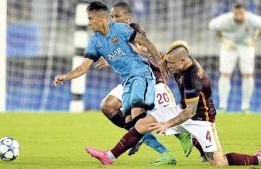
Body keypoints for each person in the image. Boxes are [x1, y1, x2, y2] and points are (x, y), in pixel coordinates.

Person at [85, 40, 261, 167]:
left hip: (201, 119)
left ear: (183, 61)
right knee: (142, 124)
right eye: (168, 62)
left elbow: (190, 112)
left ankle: (260, 159)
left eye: (171, 64)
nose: (167, 67)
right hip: (181, 109)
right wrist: (133, 50)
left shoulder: (193, 78)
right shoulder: (178, 60)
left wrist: (165, 124)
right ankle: (109, 157)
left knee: (219, 162)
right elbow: (158, 58)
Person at [52, 1, 172, 165]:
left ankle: (115, 155)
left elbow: (146, 43)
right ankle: (161, 133)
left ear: (102, 18)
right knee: (124, 117)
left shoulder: (122, 29)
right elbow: (83, 67)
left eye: (90, 19)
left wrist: (160, 62)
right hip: (127, 81)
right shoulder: (94, 41)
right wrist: (65, 76)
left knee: (138, 116)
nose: (89, 23)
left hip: (141, 75)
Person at [95, 2, 194, 164]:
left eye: (118, 16)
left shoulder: (134, 31)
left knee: (173, 119)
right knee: (108, 106)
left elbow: (145, 52)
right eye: (112, 16)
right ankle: (143, 140)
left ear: (128, 17)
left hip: (152, 80)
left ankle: (206, 151)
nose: (114, 19)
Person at [209, 2, 261, 113]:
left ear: (245, 12)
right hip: (229, 46)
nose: (238, 16)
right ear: (233, 12)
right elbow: (213, 26)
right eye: (236, 13)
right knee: (225, 73)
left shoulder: (251, 18)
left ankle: (245, 107)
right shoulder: (226, 19)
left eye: (241, 13)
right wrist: (224, 40)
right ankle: (223, 106)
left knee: (248, 74)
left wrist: (254, 39)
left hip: (245, 46)